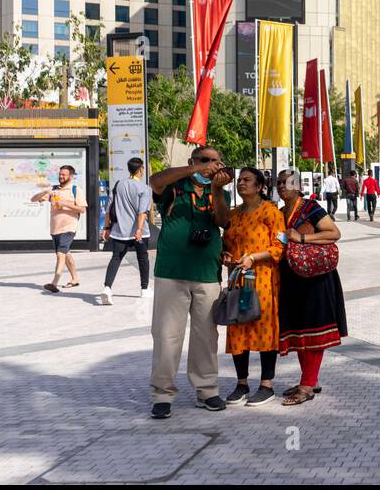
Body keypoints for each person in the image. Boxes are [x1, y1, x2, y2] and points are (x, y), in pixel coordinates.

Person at [148, 146, 233, 418]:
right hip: (171, 271)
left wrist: (217, 190)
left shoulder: (220, 191)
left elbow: (222, 220)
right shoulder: (175, 186)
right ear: (192, 161)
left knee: (206, 336)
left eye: (216, 161)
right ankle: (162, 394)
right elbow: (155, 181)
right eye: (205, 160)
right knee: (166, 335)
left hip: (207, 272)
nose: (212, 166)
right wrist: (196, 171)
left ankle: (207, 390)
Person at [275, 169, 347, 406]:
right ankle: (309, 379)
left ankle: (307, 384)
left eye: (286, 183)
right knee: (298, 329)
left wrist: (302, 238)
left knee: (315, 329)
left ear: (297, 186)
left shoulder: (310, 208)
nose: (281, 186)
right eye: (278, 183)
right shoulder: (279, 212)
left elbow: (334, 232)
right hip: (290, 276)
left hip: (315, 276)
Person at [221, 166, 287, 406]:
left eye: (247, 180)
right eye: (239, 180)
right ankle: (241, 383)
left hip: (263, 279)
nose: (241, 183)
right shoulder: (234, 214)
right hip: (238, 280)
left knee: (264, 328)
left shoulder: (271, 212)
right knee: (238, 327)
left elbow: (280, 246)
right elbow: (225, 242)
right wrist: (226, 255)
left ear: (260, 186)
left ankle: (267, 384)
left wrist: (254, 257)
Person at [100, 156, 153, 305]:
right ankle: (144, 289)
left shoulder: (118, 185)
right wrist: (139, 229)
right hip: (139, 232)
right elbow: (142, 212)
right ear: (140, 169)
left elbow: (109, 209)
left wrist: (107, 228)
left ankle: (107, 288)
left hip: (119, 231)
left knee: (115, 258)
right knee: (143, 258)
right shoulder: (144, 188)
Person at [33, 164, 88, 293]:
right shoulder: (54, 190)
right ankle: (75, 278)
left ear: (71, 176)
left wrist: (65, 204)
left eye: (64, 174)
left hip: (69, 227)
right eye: (60, 174)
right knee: (66, 253)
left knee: (60, 254)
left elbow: (82, 209)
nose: (61, 176)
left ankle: (54, 283)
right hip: (55, 228)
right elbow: (33, 199)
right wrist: (45, 192)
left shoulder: (75, 190)